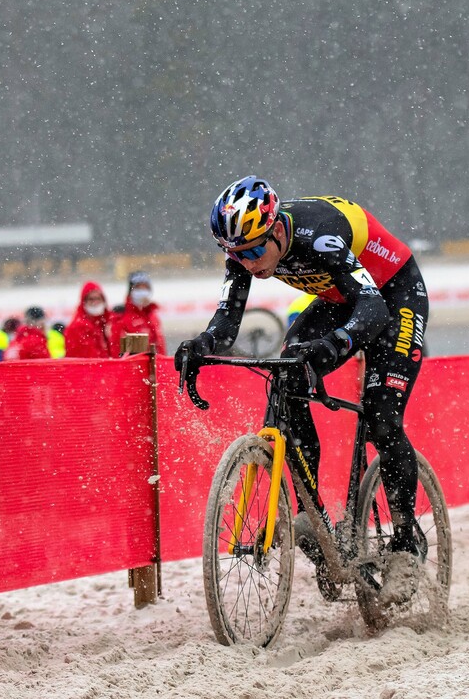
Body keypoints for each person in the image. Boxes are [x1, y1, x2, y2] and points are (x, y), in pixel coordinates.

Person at [176, 177, 429, 604]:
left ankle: (406, 543)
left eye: (255, 251)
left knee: (383, 418)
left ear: (276, 230)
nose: (249, 264)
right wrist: (201, 345)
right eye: (237, 255)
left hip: (394, 296)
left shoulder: (318, 237)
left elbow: (372, 310)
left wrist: (333, 346)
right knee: (289, 368)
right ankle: (312, 514)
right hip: (340, 298)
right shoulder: (245, 249)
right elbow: (226, 322)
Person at [110, 270, 167, 354]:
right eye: (138, 288)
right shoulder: (121, 315)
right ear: (131, 291)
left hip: (154, 364)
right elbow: (115, 348)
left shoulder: (153, 315)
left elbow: (161, 347)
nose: (142, 292)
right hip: (133, 364)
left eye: (145, 287)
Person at [65, 281, 115, 358]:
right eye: (91, 299)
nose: (95, 302)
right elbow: (91, 360)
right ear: (84, 302)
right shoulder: (77, 327)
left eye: (98, 298)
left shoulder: (105, 323)